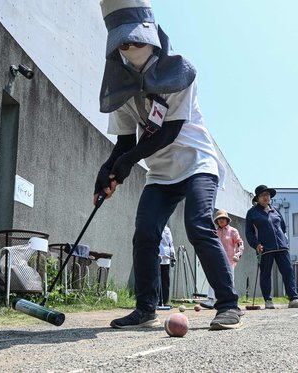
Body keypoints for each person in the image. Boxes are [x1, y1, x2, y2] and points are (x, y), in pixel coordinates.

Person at [95, 0, 242, 330]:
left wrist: (126, 162)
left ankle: (229, 305)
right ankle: (146, 307)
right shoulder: (121, 85)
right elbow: (125, 143)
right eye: (122, 41)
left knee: (197, 224)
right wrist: (107, 171)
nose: (129, 46)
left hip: (197, 162)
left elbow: (169, 132)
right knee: (145, 233)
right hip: (160, 173)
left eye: (135, 39)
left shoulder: (180, 73)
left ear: (153, 36)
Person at [245, 185, 298, 309]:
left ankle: (293, 299)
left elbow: (283, 228)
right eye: (263, 195)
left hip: (282, 247)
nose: (266, 197)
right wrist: (256, 244)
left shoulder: (275, 210)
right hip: (264, 248)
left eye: (268, 195)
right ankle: (268, 300)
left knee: (288, 272)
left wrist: (285, 241)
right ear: (257, 198)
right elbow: (249, 232)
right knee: (266, 274)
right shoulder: (252, 213)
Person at [201, 209, 244, 309]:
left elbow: (240, 244)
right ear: (216, 221)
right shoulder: (214, 232)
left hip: (230, 260)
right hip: (216, 260)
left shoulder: (233, 231)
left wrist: (238, 254)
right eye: (219, 219)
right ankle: (210, 300)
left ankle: (232, 301)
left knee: (230, 280)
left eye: (223, 218)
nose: (221, 220)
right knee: (213, 279)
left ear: (227, 219)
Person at [158, 225, 175, 308]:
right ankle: (158, 300)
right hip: (157, 255)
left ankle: (165, 301)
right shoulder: (155, 226)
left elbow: (171, 243)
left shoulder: (167, 229)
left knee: (165, 280)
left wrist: (173, 256)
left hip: (166, 257)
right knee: (157, 280)